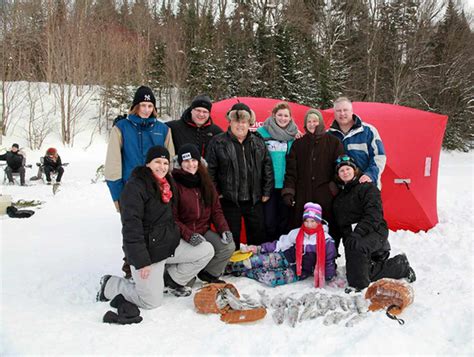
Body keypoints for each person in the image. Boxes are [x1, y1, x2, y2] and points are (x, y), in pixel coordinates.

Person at [97, 146, 214, 309]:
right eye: (157, 162)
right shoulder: (135, 187)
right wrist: (141, 261)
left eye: (165, 162)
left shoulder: (167, 184)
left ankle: (170, 281)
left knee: (206, 250)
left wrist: (185, 236)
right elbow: (131, 229)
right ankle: (111, 285)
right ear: (147, 164)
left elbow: (172, 219)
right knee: (151, 302)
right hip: (149, 252)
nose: (162, 166)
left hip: (168, 246)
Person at [104, 86, 175, 278]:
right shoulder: (121, 128)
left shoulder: (163, 129)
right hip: (130, 190)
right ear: (135, 106)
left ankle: (158, 269)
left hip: (158, 191)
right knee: (133, 229)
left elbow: (171, 164)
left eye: (150, 105)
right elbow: (112, 164)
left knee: (158, 230)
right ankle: (130, 268)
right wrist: (117, 195)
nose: (146, 109)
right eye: (142, 105)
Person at [332, 154, 416, 291]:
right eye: (341, 170)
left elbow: (374, 215)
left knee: (357, 271)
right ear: (338, 175)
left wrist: (358, 233)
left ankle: (358, 287)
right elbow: (339, 225)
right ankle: (397, 265)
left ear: (355, 170)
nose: (345, 172)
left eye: (348, 169)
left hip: (374, 231)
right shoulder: (339, 198)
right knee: (357, 271)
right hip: (353, 239)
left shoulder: (367, 188)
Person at [206, 102, 274, 249]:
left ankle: (255, 264)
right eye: (236, 121)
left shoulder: (258, 141)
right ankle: (232, 265)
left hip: (254, 199)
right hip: (229, 199)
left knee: (257, 236)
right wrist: (216, 193)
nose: (240, 125)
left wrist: (266, 191)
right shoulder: (218, 142)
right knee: (231, 237)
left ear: (249, 123)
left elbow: (267, 166)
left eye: (243, 121)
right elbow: (210, 171)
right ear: (230, 122)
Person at [227, 203, 336, 287]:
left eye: (312, 221)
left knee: (270, 278)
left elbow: (328, 261)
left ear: (318, 222)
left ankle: (245, 273)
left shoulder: (326, 241)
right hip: (284, 257)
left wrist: (329, 277)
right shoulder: (297, 232)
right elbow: (280, 244)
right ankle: (228, 267)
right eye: (306, 221)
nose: (309, 224)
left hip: (298, 271)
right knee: (254, 261)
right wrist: (259, 248)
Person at [172, 144, 235, 283]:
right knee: (188, 281)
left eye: (194, 160)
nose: (191, 165)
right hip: (183, 234)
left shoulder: (205, 181)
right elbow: (173, 218)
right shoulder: (174, 183)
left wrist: (224, 229)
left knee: (228, 246)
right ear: (180, 163)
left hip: (203, 230)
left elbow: (216, 210)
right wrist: (189, 236)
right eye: (186, 161)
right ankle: (179, 274)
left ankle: (209, 274)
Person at [282, 109, 344, 241]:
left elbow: (340, 167)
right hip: (302, 195)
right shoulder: (298, 144)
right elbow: (291, 171)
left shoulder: (334, 142)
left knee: (327, 228)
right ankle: (300, 256)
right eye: (309, 121)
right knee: (300, 228)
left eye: (315, 121)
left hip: (325, 195)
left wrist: (333, 188)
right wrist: (289, 191)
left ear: (320, 122)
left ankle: (328, 256)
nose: (312, 124)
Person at [257, 102, 299, 242]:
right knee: (269, 222)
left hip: (286, 186)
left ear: (290, 117)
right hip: (268, 185)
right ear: (274, 115)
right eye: (280, 115)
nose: (283, 118)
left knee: (284, 221)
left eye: (286, 115)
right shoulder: (262, 133)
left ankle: (282, 250)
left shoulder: (294, 135)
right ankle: (268, 248)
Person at [329, 97, 386, 189]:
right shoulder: (328, 135)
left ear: (352, 111)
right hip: (340, 192)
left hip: (365, 187)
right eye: (338, 111)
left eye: (345, 110)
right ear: (334, 113)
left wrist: (370, 175)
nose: (342, 113)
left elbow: (379, 157)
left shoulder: (368, 131)